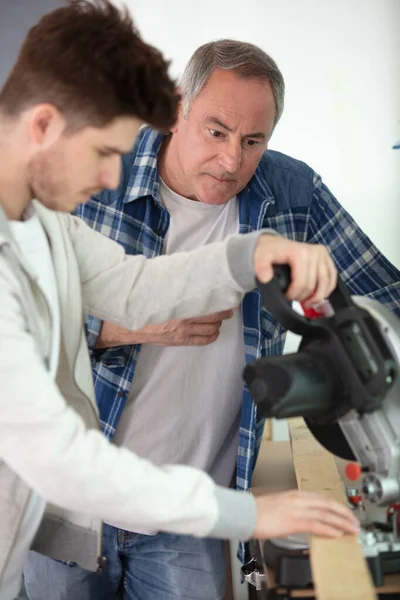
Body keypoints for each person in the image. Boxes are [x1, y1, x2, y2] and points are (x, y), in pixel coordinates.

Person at [0, 4, 360, 600]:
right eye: (103, 153)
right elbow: (64, 461)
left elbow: (139, 286)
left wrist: (254, 253)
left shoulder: (42, 226)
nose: (115, 179)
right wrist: (248, 516)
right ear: (43, 126)